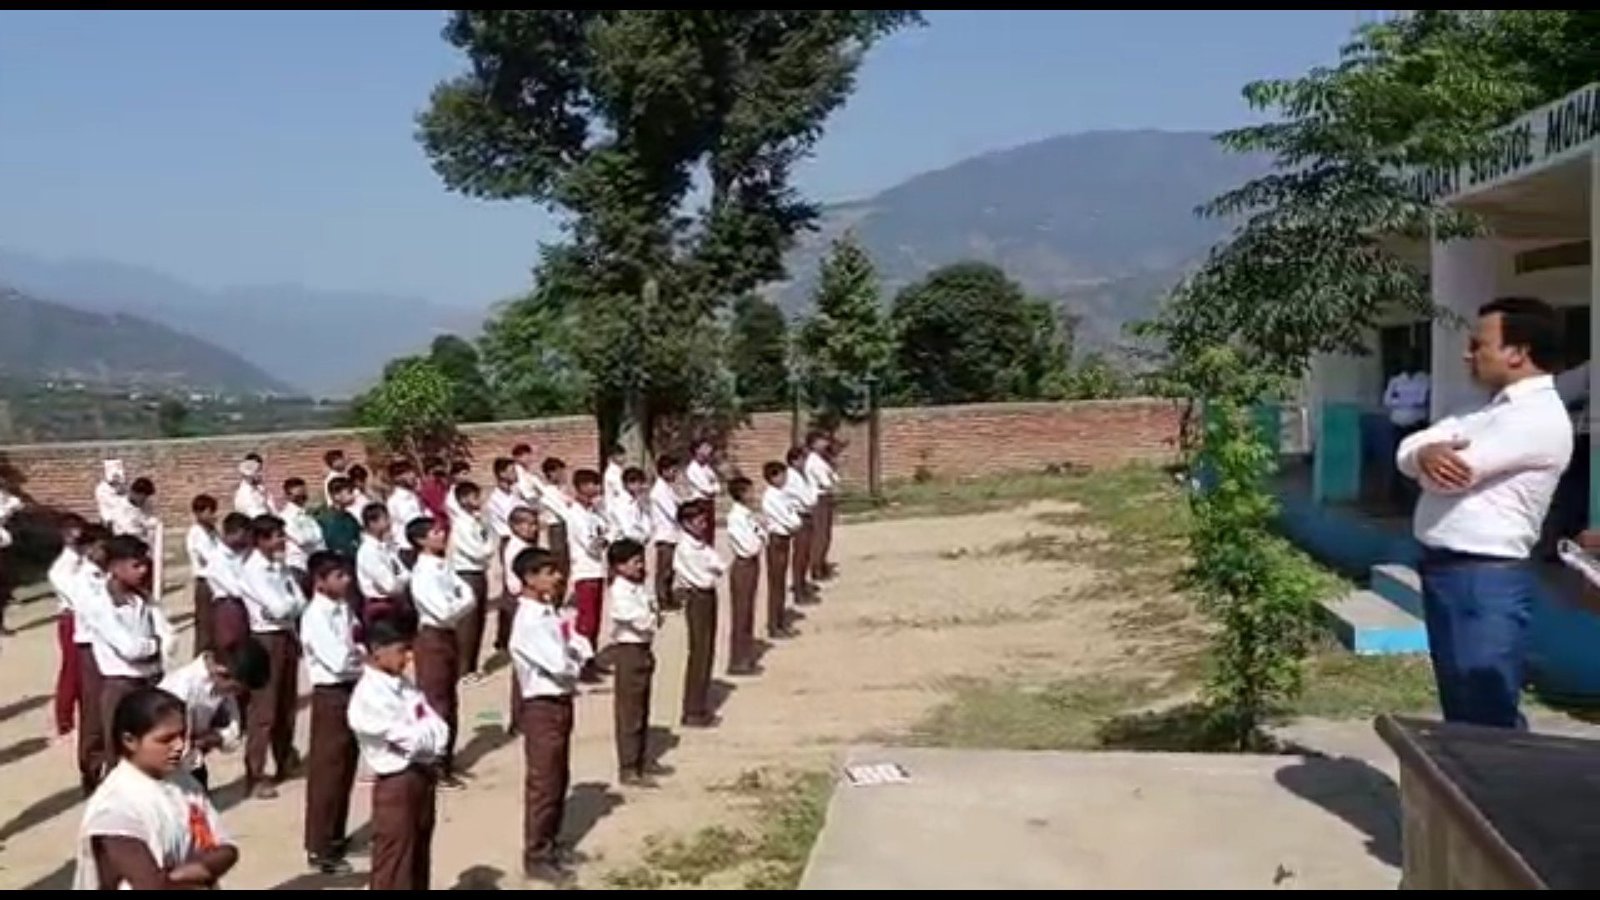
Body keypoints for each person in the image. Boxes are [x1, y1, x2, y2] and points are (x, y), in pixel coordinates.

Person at [1397, 296, 1572, 729]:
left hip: (1482, 577)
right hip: (1449, 572)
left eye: (1478, 345)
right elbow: (1409, 449)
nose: (1467, 354)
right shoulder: (1483, 409)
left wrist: (1425, 459)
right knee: (1462, 704)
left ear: (1517, 352)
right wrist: (1422, 454)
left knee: (1486, 711)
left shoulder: (1536, 417)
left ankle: (1508, 776)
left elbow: (1450, 476)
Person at [72, 687, 237, 890]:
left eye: (182, 735)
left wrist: (190, 871)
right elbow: (150, 885)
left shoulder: (186, 783)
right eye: (166, 739)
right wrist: (198, 875)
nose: (179, 746)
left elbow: (227, 849)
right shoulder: (115, 807)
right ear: (130, 741)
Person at [348, 616, 448, 891]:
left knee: (418, 855)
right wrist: (425, 735)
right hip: (396, 783)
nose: (409, 657)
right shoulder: (368, 697)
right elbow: (410, 742)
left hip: (421, 775)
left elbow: (438, 728)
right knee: (395, 864)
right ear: (377, 651)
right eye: (402, 650)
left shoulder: (403, 685)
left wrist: (427, 736)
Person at [509, 546, 589, 885]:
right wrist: (575, 660)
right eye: (548, 572)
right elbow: (560, 664)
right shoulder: (529, 620)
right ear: (529, 578)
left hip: (559, 701)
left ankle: (551, 842)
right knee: (544, 782)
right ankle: (537, 854)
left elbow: (578, 643)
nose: (557, 577)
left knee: (558, 776)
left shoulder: (548, 613)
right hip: (542, 705)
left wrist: (575, 655)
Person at [81, 534, 170, 786]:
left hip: (148, 680)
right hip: (121, 685)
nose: (143, 571)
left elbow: (168, 635)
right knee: (122, 755)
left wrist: (156, 645)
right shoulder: (100, 604)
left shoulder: (141, 599)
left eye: (145, 565)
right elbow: (130, 648)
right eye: (135, 565)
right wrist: (155, 645)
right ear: (115, 567)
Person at [300, 551, 364, 876]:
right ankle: (320, 846)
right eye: (338, 576)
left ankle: (336, 835)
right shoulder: (315, 616)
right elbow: (339, 661)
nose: (346, 580)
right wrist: (360, 658)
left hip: (351, 688)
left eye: (346, 574)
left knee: (346, 765)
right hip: (331, 694)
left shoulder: (344, 608)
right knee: (328, 770)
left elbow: (360, 642)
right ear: (320, 581)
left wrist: (358, 655)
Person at [239, 514, 308, 798]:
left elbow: (299, 602)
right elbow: (279, 608)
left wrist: (288, 606)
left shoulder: (280, 567)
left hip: (286, 635)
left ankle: (284, 757)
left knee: (286, 703)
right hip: (265, 638)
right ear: (260, 540)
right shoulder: (254, 570)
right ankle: (255, 774)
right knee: (264, 709)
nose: (282, 540)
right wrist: (288, 606)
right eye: (276, 536)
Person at [408, 516, 475, 788]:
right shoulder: (423, 573)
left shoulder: (443, 565)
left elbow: (467, 593)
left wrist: (462, 601)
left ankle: (445, 758)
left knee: (449, 699)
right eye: (434, 532)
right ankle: (434, 764)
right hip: (432, 636)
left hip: (448, 635)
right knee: (436, 702)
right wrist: (462, 602)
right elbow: (445, 610)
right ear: (420, 540)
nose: (441, 535)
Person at [157, 638, 269, 792]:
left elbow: (233, 737)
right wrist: (207, 740)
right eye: (235, 689)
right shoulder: (181, 688)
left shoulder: (223, 687)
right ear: (222, 672)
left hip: (192, 763)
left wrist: (207, 739)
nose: (235, 694)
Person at [607, 539, 665, 789]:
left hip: (644, 648)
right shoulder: (619, 591)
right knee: (629, 711)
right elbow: (641, 621)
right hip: (629, 650)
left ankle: (641, 759)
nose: (640, 566)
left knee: (642, 707)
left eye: (641, 561)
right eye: (635, 562)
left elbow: (654, 613)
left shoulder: (639, 587)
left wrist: (653, 616)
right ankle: (628, 766)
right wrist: (652, 617)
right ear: (620, 566)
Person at [674, 499, 726, 728]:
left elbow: (719, 564)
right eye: (699, 521)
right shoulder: (685, 548)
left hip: (707, 596)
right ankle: (693, 709)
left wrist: (712, 571)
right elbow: (703, 578)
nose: (703, 526)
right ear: (686, 523)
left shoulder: (700, 544)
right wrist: (711, 572)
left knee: (707, 650)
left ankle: (700, 703)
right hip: (697, 597)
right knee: (699, 651)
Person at [71, 525, 114, 794]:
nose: (104, 552)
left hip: (110, 645)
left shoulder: (108, 573)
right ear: (88, 549)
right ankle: (90, 767)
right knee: (93, 710)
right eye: (99, 547)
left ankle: (110, 764)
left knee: (111, 706)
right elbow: (95, 613)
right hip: (91, 646)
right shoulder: (83, 579)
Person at [564, 468, 610, 682]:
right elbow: (592, 545)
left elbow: (609, 528)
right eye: (593, 484)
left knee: (596, 620)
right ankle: (581, 663)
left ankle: (591, 660)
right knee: (586, 621)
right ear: (582, 487)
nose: (597, 488)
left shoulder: (593, 512)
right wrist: (605, 539)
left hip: (597, 570)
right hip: (585, 571)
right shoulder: (575, 514)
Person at [49, 514, 89, 741]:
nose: (76, 534)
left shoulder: (85, 559)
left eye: (78, 529)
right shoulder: (61, 568)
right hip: (72, 618)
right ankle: (64, 719)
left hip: (86, 617)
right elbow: (76, 597)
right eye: (71, 531)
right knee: (72, 668)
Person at [500, 506, 540, 734]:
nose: (533, 528)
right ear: (515, 526)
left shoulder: (527, 546)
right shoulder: (516, 550)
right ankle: (519, 717)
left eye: (534, 524)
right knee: (523, 660)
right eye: (527, 524)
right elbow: (516, 585)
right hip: (520, 603)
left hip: (529, 601)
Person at [449, 481, 494, 681]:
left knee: (479, 621)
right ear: (463, 500)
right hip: (466, 573)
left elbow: (489, 541)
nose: (479, 501)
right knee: (467, 623)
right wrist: (487, 550)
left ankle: (472, 665)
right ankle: (463, 668)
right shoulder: (461, 525)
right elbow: (476, 552)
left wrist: (487, 548)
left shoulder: (477, 521)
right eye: (475, 497)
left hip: (479, 572)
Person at [725, 476, 766, 676]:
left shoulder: (747, 515)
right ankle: (738, 660)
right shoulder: (736, 518)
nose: (753, 495)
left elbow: (761, 533)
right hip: (743, 565)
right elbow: (750, 546)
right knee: (741, 613)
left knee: (748, 610)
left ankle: (745, 655)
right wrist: (760, 538)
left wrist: (760, 537)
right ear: (741, 494)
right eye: (750, 491)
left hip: (752, 564)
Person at [761, 462, 802, 640]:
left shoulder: (781, 494)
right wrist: (796, 522)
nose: (785, 478)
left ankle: (780, 619)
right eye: (781, 475)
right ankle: (774, 624)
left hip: (784, 539)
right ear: (773, 478)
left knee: (781, 582)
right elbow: (788, 518)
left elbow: (793, 510)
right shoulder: (771, 497)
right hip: (777, 540)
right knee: (776, 583)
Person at [204, 513, 254, 652]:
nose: (246, 539)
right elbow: (236, 590)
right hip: (229, 607)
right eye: (243, 535)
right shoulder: (217, 559)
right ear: (233, 533)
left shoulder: (243, 552)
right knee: (232, 649)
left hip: (246, 607)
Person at [356, 503, 409, 628]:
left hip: (395, 604)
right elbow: (389, 586)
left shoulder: (386, 546)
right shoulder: (368, 551)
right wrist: (403, 580)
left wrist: (403, 578)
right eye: (385, 519)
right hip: (381, 608)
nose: (389, 522)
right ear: (372, 523)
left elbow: (402, 571)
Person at [185, 496, 223, 654]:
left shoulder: (213, 532)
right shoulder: (196, 534)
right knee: (205, 625)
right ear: (198, 513)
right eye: (209, 512)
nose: (213, 515)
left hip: (218, 580)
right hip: (205, 581)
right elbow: (210, 557)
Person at [784, 447, 820, 605]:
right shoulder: (792, 478)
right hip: (800, 516)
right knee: (801, 554)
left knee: (805, 553)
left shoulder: (800, 475)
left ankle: (802, 583)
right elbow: (809, 500)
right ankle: (799, 590)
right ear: (794, 461)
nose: (804, 462)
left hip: (806, 515)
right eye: (801, 459)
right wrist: (814, 488)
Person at [804, 432, 841, 581]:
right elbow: (826, 482)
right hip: (819, 498)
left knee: (825, 534)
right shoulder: (813, 461)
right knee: (820, 535)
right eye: (822, 441)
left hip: (826, 497)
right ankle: (816, 567)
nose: (825, 443)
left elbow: (835, 477)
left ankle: (821, 563)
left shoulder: (822, 459)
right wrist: (832, 481)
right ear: (814, 444)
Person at [650, 455, 683, 608]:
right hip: (665, 535)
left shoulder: (668, 488)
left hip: (673, 534)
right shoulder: (659, 491)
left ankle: (668, 596)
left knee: (671, 569)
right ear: (663, 471)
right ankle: (662, 599)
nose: (675, 474)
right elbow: (673, 512)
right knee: (664, 570)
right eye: (672, 471)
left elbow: (679, 502)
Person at [279, 477, 326, 585]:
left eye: (304, 496)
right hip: (300, 565)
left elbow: (319, 536)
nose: (301, 499)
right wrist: (313, 537)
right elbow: (302, 539)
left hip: (316, 562)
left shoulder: (307, 514)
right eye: (297, 496)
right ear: (288, 496)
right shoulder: (286, 517)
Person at [386, 460, 429, 564]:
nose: (413, 476)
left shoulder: (413, 496)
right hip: (409, 548)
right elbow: (415, 522)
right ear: (397, 478)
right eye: (408, 473)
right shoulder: (398, 500)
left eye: (412, 472)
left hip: (419, 545)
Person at [540, 457, 573, 578]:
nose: (563, 475)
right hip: (556, 528)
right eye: (559, 472)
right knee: (559, 560)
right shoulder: (548, 492)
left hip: (565, 527)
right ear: (551, 473)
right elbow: (564, 512)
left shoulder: (561, 491)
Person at [607, 466, 653, 546]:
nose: (639, 486)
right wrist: (641, 537)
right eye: (634, 482)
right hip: (624, 544)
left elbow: (647, 523)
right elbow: (627, 529)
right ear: (626, 484)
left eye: (641, 483)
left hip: (640, 543)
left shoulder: (639, 502)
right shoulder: (619, 504)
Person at [319, 477, 363, 559]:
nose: (353, 495)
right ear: (336, 495)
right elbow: (338, 546)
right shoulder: (330, 519)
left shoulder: (348, 516)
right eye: (350, 492)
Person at [110, 477, 159, 543]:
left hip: (143, 537)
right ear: (134, 493)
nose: (144, 500)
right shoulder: (120, 506)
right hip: (126, 540)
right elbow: (126, 530)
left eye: (146, 497)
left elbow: (148, 520)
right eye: (142, 497)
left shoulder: (146, 503)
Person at [418, 457, 453, 528]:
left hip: (445, 521)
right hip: (438, 523)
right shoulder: (429, 487)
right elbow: (439, 506)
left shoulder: (440, 484)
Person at [95, 459, 128, 526]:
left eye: (118, 477)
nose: (117, 479)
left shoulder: (121, 487)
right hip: (109, 521)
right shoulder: (102, 489)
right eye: (115, 476)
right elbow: (115, 503)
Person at [603, 443, 628, 511]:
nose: (624, 457)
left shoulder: (618, 470)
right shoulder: (612, 472)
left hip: (619, 506)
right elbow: (620, 490)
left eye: (623, 454)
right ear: (612, 456)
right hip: (615, 508)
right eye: (620, 455)